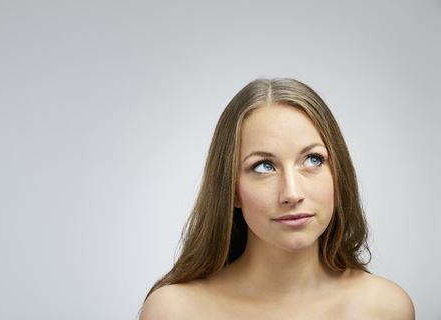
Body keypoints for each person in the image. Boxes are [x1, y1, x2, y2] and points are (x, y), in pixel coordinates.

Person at [139, 78, 415, 319]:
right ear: (232, 189)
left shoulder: (386, 308)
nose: (292, 194)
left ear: (337, 174)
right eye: (263, 166)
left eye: (313, 159)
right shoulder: (173, 312)